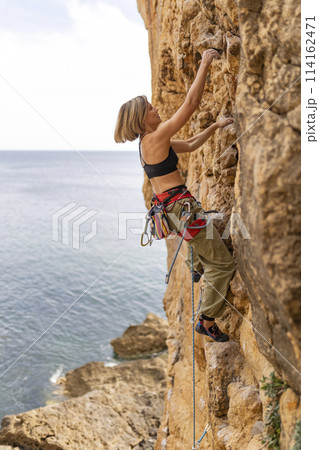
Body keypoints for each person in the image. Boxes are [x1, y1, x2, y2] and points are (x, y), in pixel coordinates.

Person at [114, 49, 236, 342]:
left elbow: (192, 144)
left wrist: (216, 126)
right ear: (143, 120)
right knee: (222, 265)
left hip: (174, 209)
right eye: (152, 110)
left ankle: (195, 264)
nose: (158, 111)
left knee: (201, 239)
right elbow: (191, 103)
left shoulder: (151, 143)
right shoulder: (155, 138)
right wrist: (205, 63)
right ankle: (206, 320)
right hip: (182, 210)